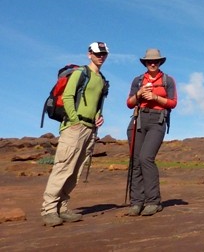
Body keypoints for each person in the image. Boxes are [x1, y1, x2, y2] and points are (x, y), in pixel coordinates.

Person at [40, 42, 110, 227]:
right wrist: (75, 119)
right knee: (63, 167)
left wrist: (98, 117)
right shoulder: (81, 73)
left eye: (103, 54)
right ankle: (49, 209)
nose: (100, 56)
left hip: (90, 129)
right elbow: (69, 96)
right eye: (97, 53)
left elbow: (95, 104)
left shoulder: (101, 79)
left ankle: (62, 207)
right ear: (89, 54)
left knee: (75, 170)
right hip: (74, 127)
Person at [125, 49, 178, 216]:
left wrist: (154, 98)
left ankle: (153, 201)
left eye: (156, 61)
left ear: (161, 62)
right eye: (149, 62)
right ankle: (136, 202)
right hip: (138, 119)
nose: (153, 64)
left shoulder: (168, 80)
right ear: (145, 63)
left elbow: (173, 103)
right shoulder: (138, 80)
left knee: (146, 158)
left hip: (157, 121)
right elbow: (129, 102)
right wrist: (140, 94)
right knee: (135, 161)